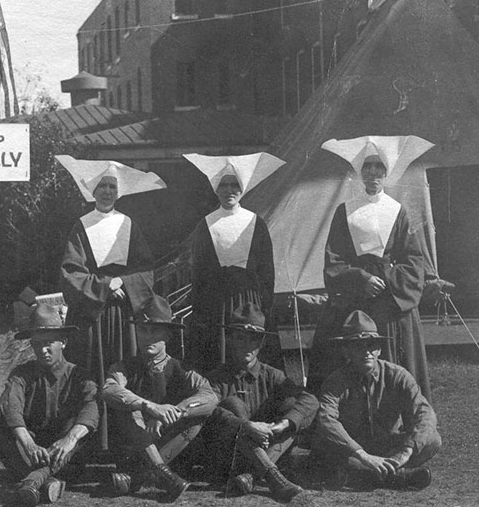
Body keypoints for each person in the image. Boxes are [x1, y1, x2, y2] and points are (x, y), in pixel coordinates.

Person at [309, 136, 433, 395]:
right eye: (368, 167)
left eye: (379, 168)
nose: (373, 173)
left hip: (388, 299)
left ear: (386, 173)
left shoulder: (397, 210)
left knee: (391, 356)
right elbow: (334, 259)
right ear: (360, 172)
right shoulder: (346, 210)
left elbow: (414, 260)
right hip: (355, 295)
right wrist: (361, 279)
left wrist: (386, 280)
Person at [55, 155, 165, 448]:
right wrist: (105, 286)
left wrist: (124, 285)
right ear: (93, 190)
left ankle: (124, 442)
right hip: (92, 314)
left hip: (122, 312)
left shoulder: (128, 224)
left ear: (119, 192)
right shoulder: (81, 225)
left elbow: (145, 268)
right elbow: (70, 272)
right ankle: (88, 442)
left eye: (112, 187)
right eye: (102, 185)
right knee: (90, 373)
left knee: (121, 373)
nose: (107, 192)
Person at [101, 297, 218, 502]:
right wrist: (149, 407)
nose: (148, 337)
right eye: (143, 331)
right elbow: (109, 389)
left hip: (171, 447)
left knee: (198, 415)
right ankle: (163, 475)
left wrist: (174, 411)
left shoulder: (181, 368)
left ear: (168, 334)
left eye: (155, 331)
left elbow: (210, 396)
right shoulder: (124, 367)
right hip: (134, 445)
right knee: (129, 408)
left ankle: (144, 476)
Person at [198, 305, 317, 502]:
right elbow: (211, 412)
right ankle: (270, 474)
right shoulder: (215, 378)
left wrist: (283, 425)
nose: (247, 345)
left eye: (253, 339)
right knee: (231, 405)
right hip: (228, 459)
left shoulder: (273, 375)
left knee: (292, 408)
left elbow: (309, 400)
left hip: (269, 447)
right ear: (229, 339)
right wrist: (247, 426)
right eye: (240, 338)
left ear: (261, 343)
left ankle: (252, 475)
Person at [312, 310, 441, 490]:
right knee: (326, 446)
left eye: (372, 345)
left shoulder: (398, 375)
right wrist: (363, 456)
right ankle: (397, 477)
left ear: (379, 349)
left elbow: (424, 413)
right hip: (353, 449)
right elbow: (326, 420)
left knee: (433, 439)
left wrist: (406, 451)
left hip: (388, 446)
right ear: (346, 350)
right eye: (358, 346)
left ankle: (363, 476)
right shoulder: (335, 381)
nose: (367, 352)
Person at [182, 153, 285, 372]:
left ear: (242, 189)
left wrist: (264, 306)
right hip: (216, 302)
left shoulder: (255, 222)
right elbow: (198, 273)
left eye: (235, 185)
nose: (229, 190)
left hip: (249, 300)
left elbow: (267, 272)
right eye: (224, 185)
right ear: (216, 189)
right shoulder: (206, 224)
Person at [0, 304, 98, 506]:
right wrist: (29, 444)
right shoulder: (21, 374)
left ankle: (34, 480)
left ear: (64, 342)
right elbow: (10, 406)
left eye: (49, 342)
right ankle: (47, 482)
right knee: (1, 425)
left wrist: (69, 439)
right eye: (37, 344)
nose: (43, 350)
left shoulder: (80, 375)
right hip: (31, 454)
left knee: (83, 429)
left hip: (68, 455)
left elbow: (91, 407)